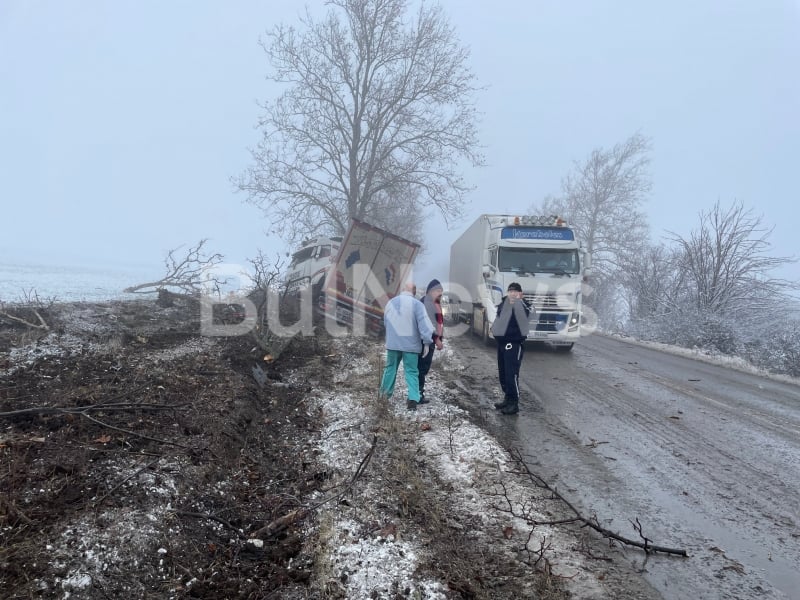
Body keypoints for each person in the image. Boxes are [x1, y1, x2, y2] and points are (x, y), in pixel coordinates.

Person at [379, 281, 435, 411]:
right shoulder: (417, 305)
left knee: (390, 369)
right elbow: (425, 326)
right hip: (411, 346)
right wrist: (427, 342)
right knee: (411, 372)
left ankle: (384, 396)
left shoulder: (390, 303)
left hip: (393, 345)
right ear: (414, 292)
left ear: (402, 290)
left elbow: (386, 322)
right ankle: (413, 399)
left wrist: (391, 337)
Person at [490, 282, 533, 415]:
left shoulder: (523, 305)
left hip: (513, 344)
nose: (512, 293)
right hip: (501, 344)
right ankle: (507, 399)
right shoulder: (504, 304)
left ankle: (514, 404)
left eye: (515, 291)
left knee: (511, 375)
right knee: (503, 375)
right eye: (510, 291)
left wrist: (519, 302)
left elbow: (528, 314)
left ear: (520, 294)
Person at [417, 279, 445, 403]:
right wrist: (436, 339)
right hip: (425, 342)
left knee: (423, 367)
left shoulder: (435, 303)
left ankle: (418, 393)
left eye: (441, 291)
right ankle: (418, 394)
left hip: (429, 341)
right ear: (430, 291)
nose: (440, 293)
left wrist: (440, 338)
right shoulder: (427, 303)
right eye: (438, 290)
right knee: (422, 367)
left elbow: (439, 323)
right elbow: (428, 325)